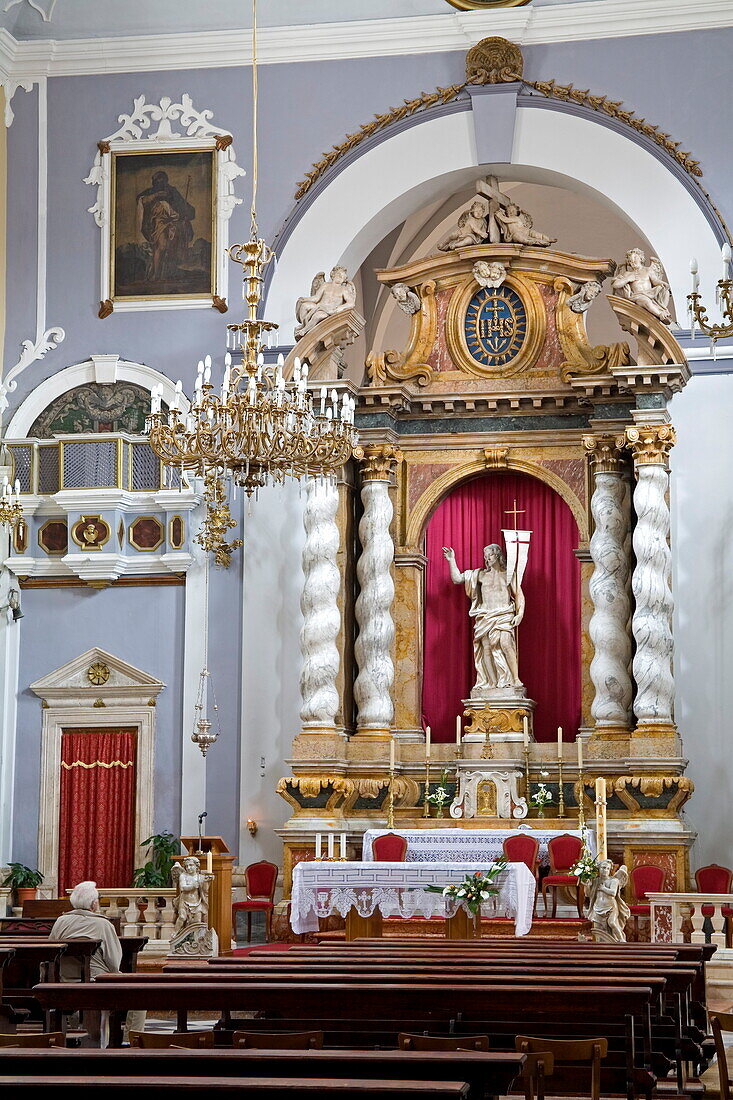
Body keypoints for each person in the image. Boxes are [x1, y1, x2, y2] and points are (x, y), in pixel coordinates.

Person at [50, 880, 145, 1045]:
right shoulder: (103, 924)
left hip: (65, 984)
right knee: (141, 997)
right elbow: (114, 962)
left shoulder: (60, 922)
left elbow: (51, 954)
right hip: (97, 985)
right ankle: (129, 1042)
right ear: (94, 904)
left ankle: (77, 1031)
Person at [443, 543, 525, 695]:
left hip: (503, 615)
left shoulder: (508, 574)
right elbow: (457, 578)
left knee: (506, 644)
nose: (487, 558)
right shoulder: (480, 575)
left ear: (498, 555)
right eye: (485, 556)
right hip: (485, 616)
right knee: (486, 648)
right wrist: (451, 560)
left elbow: (519, 594)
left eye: (490, 555)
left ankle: (515, 679)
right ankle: (492, 684)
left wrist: (519, 614)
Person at [136, 170, 195, 282]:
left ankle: (162, 274)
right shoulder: (151, 192)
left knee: (169, 247)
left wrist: (186, 212)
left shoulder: (172, 191)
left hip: (171, 222)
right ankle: (156, 275)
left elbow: (181, 204)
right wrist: (155, 196)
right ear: (154, 182)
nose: (160, 183)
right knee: (161, 246)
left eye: (162, 180)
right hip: (157, 223)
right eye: (158, 181)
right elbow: (142, 200)